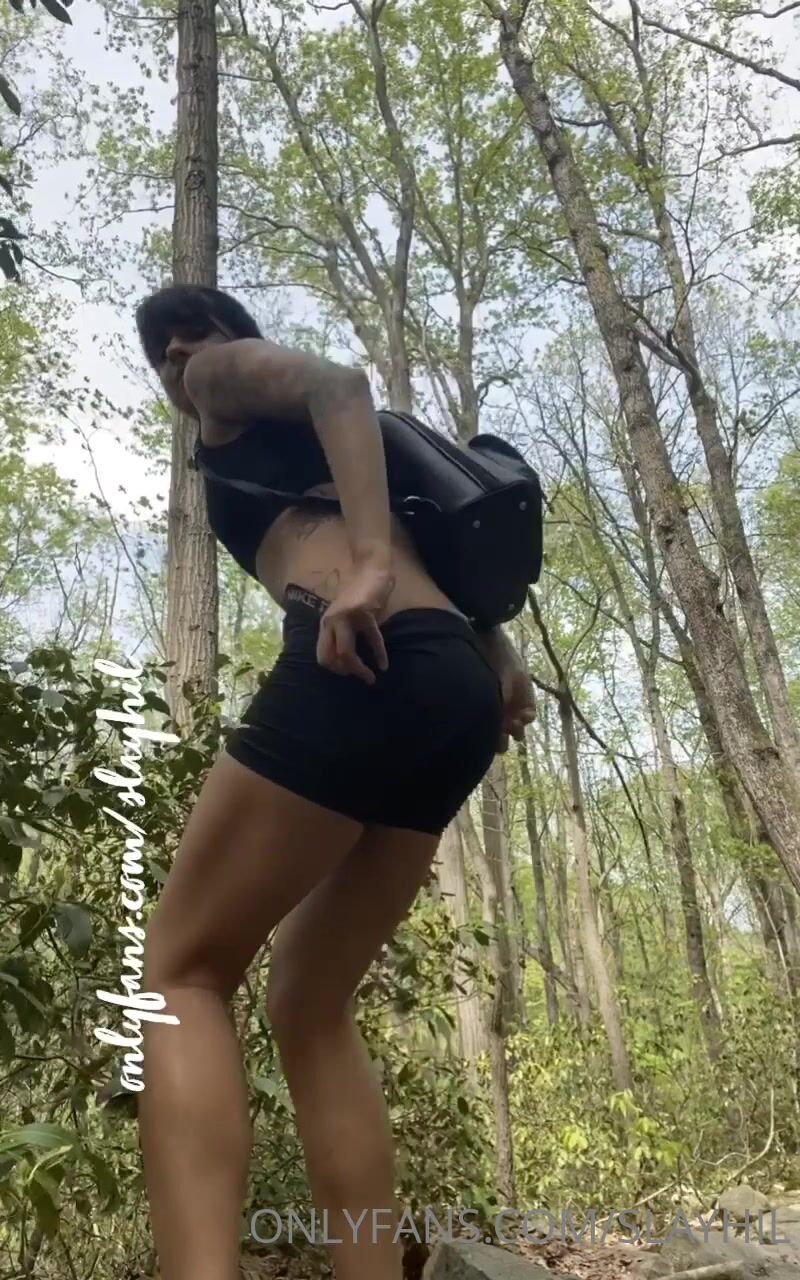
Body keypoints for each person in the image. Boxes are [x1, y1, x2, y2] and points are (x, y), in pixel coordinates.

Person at [133, 284, 536, 1280]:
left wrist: (363, 570)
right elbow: (426, 544)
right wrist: (497, 653)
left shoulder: (219, 382)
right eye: (161, 352)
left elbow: (339, 384)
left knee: (180, 973)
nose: (177, 359)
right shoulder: (306, 455)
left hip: (361, 655)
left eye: (192, 336)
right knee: (309, 1003)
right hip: (448, 681)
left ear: (231, 342)